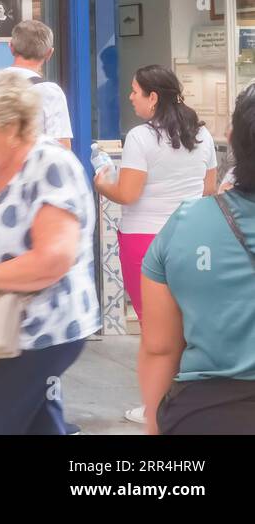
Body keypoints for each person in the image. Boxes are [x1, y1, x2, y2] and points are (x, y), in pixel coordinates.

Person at [0, 69, 100, 434]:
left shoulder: (50, 165)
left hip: (46, 329)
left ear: (11, 125)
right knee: (39, 426)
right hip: (11, 330)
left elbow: (53, 260)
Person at [95, 64, 216, 424]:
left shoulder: (140, 137)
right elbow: (208, 190)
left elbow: (128, 194)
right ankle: (189, 400)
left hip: (145, 240)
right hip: (193, 234)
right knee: (188, 322)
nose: (130, 97)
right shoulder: (202, 134)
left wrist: (102, 182)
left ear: (152, 97)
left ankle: (158, 408)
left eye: (135, 91)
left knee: (153, 327)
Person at [139, 84, 255, 434]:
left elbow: (160, 348)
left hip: (206, 414)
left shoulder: (186, 224)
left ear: (231, 138)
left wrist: (153, 425)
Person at [6, 20, 73, 149]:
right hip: (30, 167)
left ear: (11, 47)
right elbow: (61, 149)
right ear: (49, 53)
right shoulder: (50, 92)